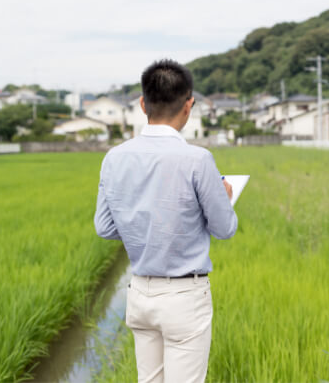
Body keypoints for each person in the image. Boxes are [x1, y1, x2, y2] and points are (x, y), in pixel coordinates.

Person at [94, 59, 237, 383]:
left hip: (140, 294)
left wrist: (144, 223)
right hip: (185, 298)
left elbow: (104, 227)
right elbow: (224, 228)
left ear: (143, 104)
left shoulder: (114, 157)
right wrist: (223, 198)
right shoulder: (198, 159)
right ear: (189, 106)